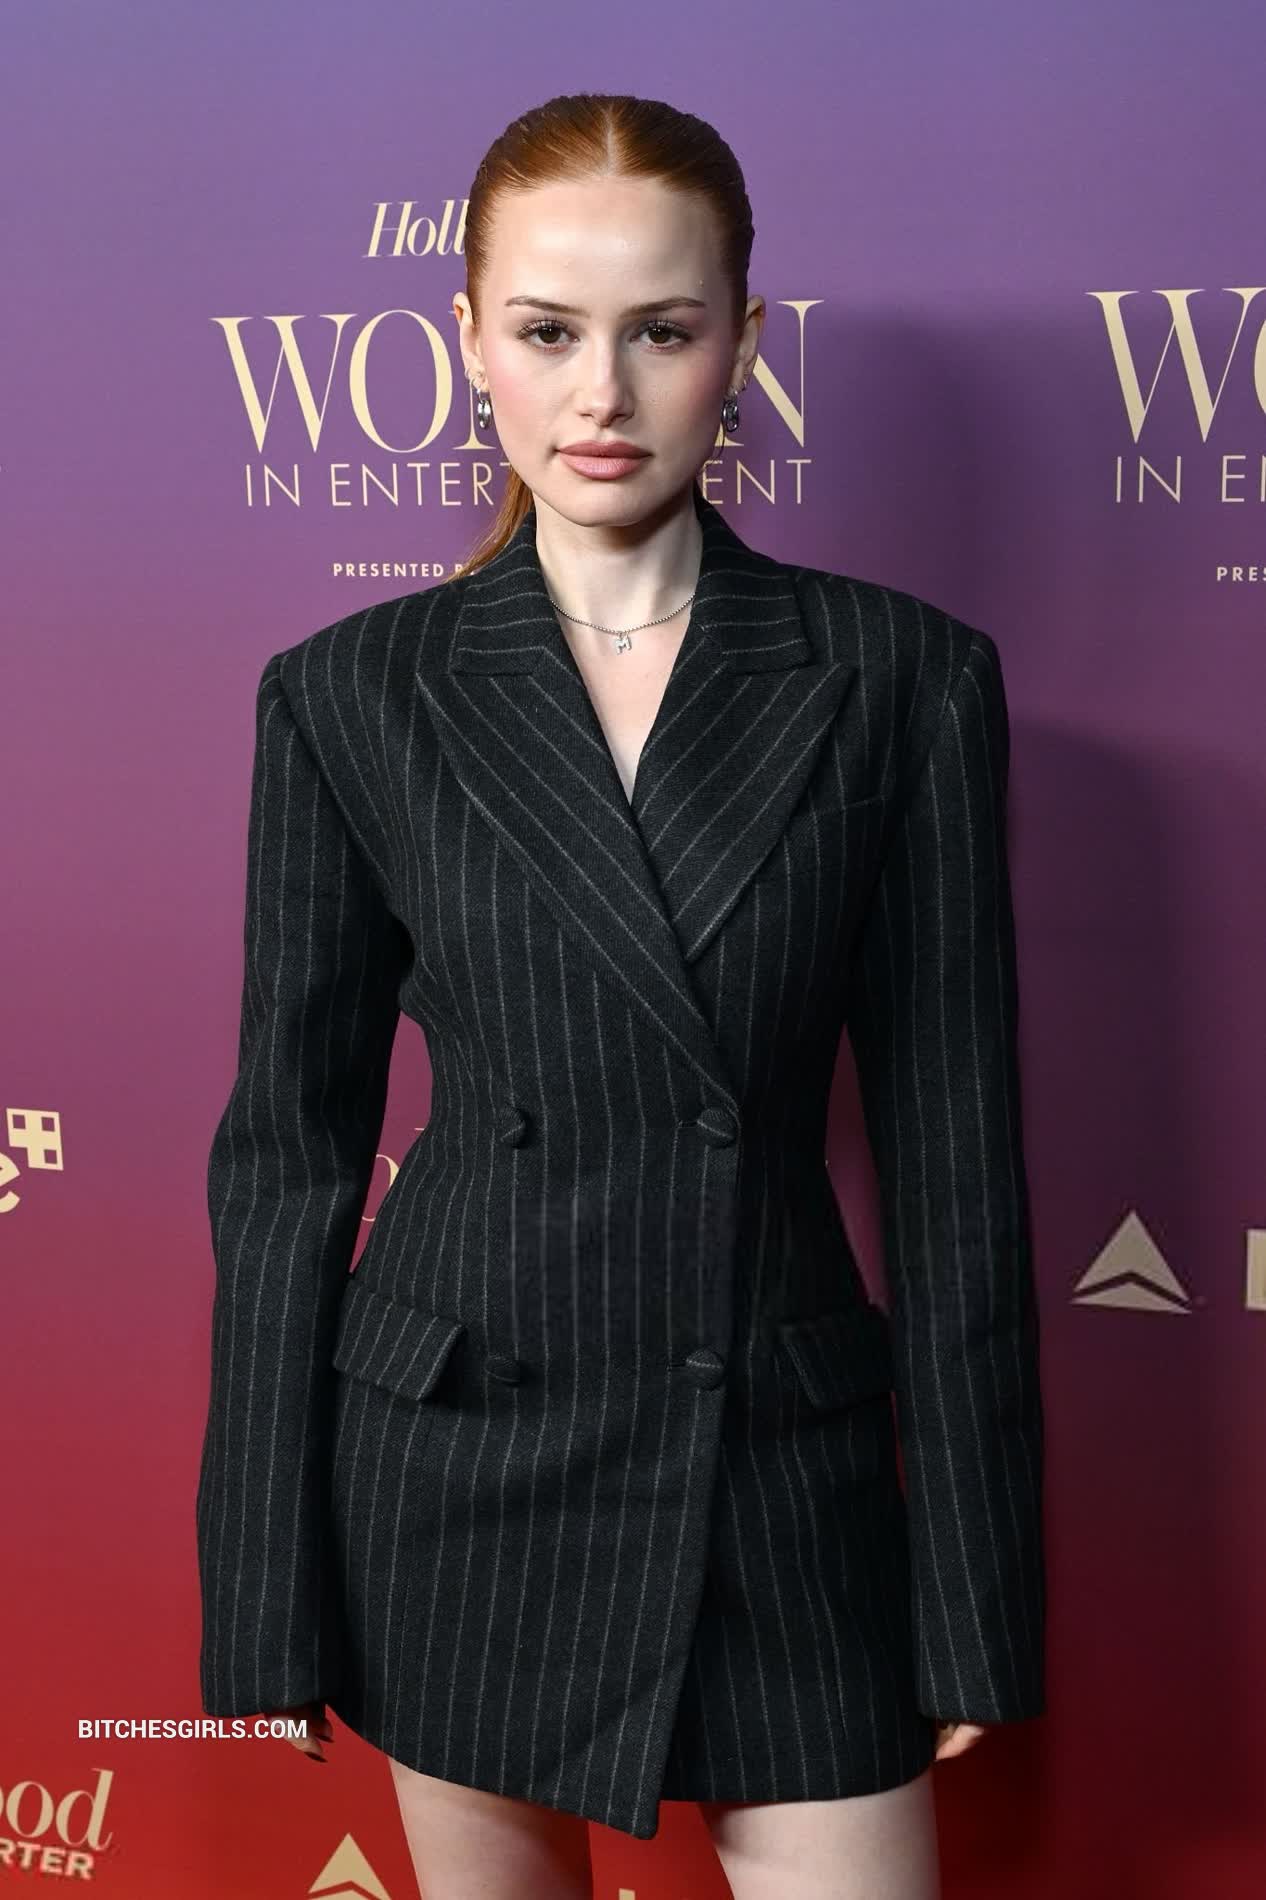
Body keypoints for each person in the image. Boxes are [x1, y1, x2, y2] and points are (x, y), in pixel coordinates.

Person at [195, 92, 1045, 1900]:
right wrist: (262, 1593)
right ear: (466, 342)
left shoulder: (900, 678)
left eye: (660, 331)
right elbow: (285, 1161)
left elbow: (957, 1171)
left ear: (742, 341)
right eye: (545, 331)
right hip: (457, 1464)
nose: (601, 393)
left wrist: (973, 1597)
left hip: (776, 1468)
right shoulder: (350, 694)